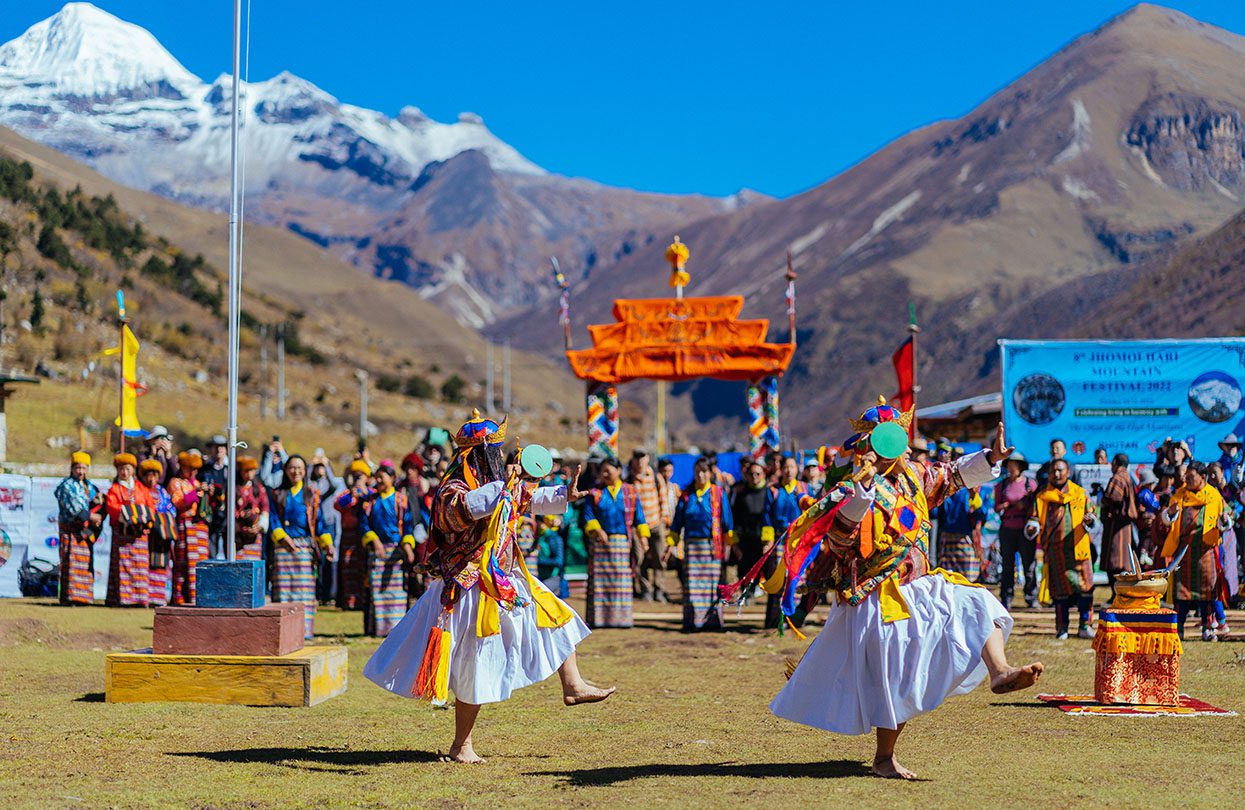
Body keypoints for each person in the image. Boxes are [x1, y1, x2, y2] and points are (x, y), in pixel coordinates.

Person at [768, 403, 1041, 780]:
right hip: (876, 596)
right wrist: (861, 497)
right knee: (897, 677)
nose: (905, 447)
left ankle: (1000, 671)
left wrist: (991, 456)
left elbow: (952, 474)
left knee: (978, 603)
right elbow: (838, 539)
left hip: (920, 585)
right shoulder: (851, 484)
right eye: (894, 438)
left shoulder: (915, 475)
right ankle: (884, 757)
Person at [363, 410, 612, 764]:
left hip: (504, 577)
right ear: (479, 452)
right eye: (493, 449)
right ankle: (461, 744)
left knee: (558, 614)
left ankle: (572, 685)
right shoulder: (455, 486)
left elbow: (527, 499)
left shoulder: (502, 484)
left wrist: (564, 495)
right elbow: (466, 509)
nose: (498, 455)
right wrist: (505, 485)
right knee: (475, 664)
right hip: (469, 586)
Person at [1160, 461, 1232, 641]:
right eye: (1187, 477)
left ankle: (1208, 629)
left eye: (1191, 477)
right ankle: (1178, 629)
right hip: (1183, 551)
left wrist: (1224, 519)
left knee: (1207, 593)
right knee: (1180, 594)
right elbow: (1167, 520)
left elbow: (1227, 518)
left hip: (1206, 551)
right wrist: (1169, 512)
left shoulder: (1214, 496)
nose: (1188, 480)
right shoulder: (1180, 495)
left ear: (1203, 477)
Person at [1027, 459, 1097, 639]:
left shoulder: (1080, 494)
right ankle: (1062, 628)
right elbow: (1035, 517)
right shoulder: (1043, 496)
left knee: (1086, 588)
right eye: (1053, 471)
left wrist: (1090, 520)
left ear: (1068, 472)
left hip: (1079, 550)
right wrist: (1032, 526)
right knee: (1059, 593)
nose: (1056, 474)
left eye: (1060, 471)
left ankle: (1084, 626)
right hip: (1055, 551)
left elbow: (1092, 515)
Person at [271, 454, 334, 639]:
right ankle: (283, 632)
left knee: (303, 592)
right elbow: (274, 519)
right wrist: (282, 538)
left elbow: (319, 523)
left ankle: (303, 631)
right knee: (284, 590)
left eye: (299, 468)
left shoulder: (311, 494)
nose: (295, 471)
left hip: (304, 549)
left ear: (305, 471)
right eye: (291, 467)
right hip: (283, 549)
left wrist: (327, 545)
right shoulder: (278, 493)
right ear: (285, 470)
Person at [582, 457, 649, 628]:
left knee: (621, 582)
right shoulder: (595, 492)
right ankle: (599, 619)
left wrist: (643, 539)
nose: (604, 474)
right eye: (602, 471)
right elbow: (588, 515)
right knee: (601, 583)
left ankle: (622, 619)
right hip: (600, 544)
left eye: (608, 470)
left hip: (622, 543)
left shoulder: (630, 492)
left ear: (619, 470)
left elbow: (639, 518)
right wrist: (597, 529)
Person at [672, 459, 734, 632]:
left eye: (704, 471)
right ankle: (693, 623)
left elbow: (727, 522)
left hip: (711, 546)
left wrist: (732, 544)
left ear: (710, 473)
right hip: (692, 548)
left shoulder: (718, 493)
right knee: (692, 586)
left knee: (713, 586)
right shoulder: (686, 495)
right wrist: (671, 543)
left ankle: (713, 622)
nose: (700, 475)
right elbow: (677, 522)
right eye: (697, 471)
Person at [360, 463, 419, 637]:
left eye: (382, 477)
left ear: (392, 478)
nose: (378, 480)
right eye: (376, 477)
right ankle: (377, 629)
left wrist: (407, 546)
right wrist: (374, 540)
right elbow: (364, 525)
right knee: (376, 592)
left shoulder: (401, 500)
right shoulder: (369, 502)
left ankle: (397, 629)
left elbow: (408, 525)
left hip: (396, 551)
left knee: (397, 592)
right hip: (376, 551)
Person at [731, 460, 780, 628]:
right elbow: (735, 518)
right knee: (746, 571)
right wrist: (735, 543)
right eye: (751, 474)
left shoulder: (770, 493)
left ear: (764, 475)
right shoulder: (741, 493)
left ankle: (773, 612)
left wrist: (769, 540)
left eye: (758, 474)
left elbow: (772, 517)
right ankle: (747, 596)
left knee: (770, 575)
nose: (754, 477)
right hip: (746, 541)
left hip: (765, 542)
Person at [54, 451, 103, 605]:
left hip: (86, 532)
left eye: (84, 468)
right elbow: (74, 509)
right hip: (71, 531)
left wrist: (100, 506)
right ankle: (69, 598)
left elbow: (97, 506)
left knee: (85, 564)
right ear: (72, 468)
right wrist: (91, 517)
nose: (81, 471)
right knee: (70, 564)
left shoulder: (91, 486)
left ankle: (84, 597)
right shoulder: (66, 486)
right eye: (78, 468)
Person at [103, 452, 152, 607]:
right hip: (122, 534)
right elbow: (112, 507)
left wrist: (142, 519)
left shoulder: (141, 488)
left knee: (140, 566)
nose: (124, 472)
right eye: (121, 469)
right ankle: (124, 599)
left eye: (128, 469)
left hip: (139, 535)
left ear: (133, 470)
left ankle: (140, 598)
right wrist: (129, 515)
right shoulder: (115, 489)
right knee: (122, 566)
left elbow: (150, 506)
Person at [993, 452, 1037, 608]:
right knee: (1007, 565)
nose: (1012, 468)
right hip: (1007, 529)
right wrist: (1004, 506)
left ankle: (1031, 597)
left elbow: (1036, 506)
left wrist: (1024, 506)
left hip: (1025, 530)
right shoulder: (1002, 485)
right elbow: (996, 508)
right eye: (1009, 465)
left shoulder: (1030, 484)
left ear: (1021, 467)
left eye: (1015, 465)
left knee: (1029, 564)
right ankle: (1006, 598)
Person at [167, 451, 211, 606]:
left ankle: (197, 598)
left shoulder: (198, 483)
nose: (192, 472)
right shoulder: (175, 482)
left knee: (200, 565)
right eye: (189, 468)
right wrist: (194, 495)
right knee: (183, 564)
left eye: (195, 469)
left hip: (199, 528)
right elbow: (177, 503)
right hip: (184, 527)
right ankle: (180, 599)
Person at [334, 460, 374, 610]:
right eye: (355, 476)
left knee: (363, 567)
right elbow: (337, 505)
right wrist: (352, 494)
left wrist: (365, 494)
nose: (358, 479)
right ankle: (349, 601)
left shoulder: (371, 494)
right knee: (348, 566)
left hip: (365, 535)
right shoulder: (346, 494)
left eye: (361, 476)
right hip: (348, 536)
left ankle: (363, 600)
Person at [627, 450, 666, 601]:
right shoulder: (629, 479)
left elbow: (663, 500)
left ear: (648, 459)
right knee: (640, 559)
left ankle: (660, 589)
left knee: (660, 557)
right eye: (636, 459)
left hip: (656, 523)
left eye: (642, 458)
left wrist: (665, 520)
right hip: (637, 527)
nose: (640, 462)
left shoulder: (656, 477)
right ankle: (646, 589)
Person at [1099, 453, 1139, 596]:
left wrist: (1103, 500)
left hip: (1117, 526)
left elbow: (1113, 497)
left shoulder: (1118, 477)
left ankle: (1117, 594)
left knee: (1115, 561)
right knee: (1120, 560)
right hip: (1123, 524)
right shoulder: (1127, 476)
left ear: (1115, 462)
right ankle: (1118, 594)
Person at [138, 459, 176, 606]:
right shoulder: (140, 490)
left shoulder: (162, 492)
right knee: (145, 564)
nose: (151, 479)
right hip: (145, 533)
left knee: (159, 564)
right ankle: (144, 597)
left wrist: (162, 519)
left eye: (154, 475)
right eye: (148, 475)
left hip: (160, 534)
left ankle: (157, 598)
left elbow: (171, 509)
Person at [935, 485, 986, 581]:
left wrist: (974, 496)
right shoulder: (946, 488)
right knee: (948, 577)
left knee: (966, 578)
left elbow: (981, 514)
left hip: (964, 538)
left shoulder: (975, 489)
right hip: (947, 538)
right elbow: (937, 512)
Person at [234, 456, 269, 562]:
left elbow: (265, 507)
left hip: (255, 533)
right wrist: (239, 527)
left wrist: (260, 526)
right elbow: (231, 510)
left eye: (252, 471)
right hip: (238, 534)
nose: (249, 474)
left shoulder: (258, 488)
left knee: (253, 564)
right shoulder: (234, 488)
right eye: (246, 471)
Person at [200, 435, 230, 559]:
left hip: (227, 515)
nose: (219, 450)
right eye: (216, 447)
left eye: (222, 447)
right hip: (211, 514)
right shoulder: (205, 469)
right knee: (211, 549)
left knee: (229, 548)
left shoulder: (231, 470)